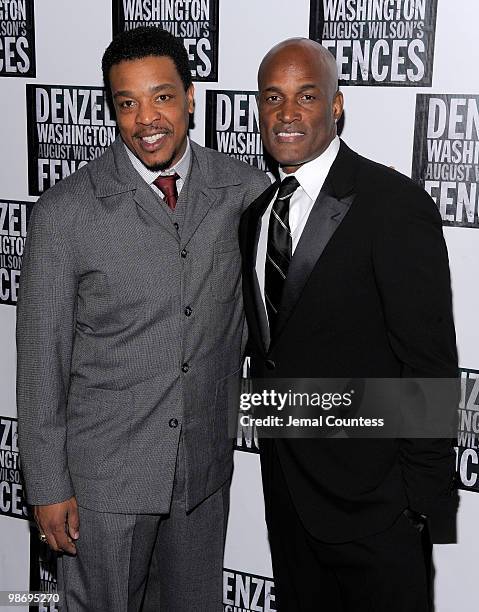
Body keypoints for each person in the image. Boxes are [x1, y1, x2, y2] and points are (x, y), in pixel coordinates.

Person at [16, 26, 269, 611]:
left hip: (202, 475)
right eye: (127, 103)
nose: (146, 118)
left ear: (191, 98)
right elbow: (40, 364)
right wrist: (48, 485)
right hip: (104, 481)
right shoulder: (66, 212)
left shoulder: (243, 192)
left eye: (161, 97)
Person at [239, 38, 458, 611]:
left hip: (377, 511)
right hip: (288, 505)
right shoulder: (254, 218)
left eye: (306, 96)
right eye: (272, 98)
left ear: (336, 106)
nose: (287, 113)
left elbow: (429, 365)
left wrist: (418, 507)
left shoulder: (393, 204)